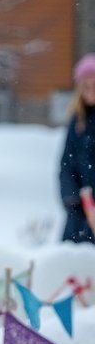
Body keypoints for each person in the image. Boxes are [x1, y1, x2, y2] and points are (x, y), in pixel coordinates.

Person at [59, 54, 95, 244]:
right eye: (86, 86)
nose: (91, 91)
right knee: (72, 257)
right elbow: (67, 162)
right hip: (80, 211)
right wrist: (72, 196)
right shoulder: (77, 122)